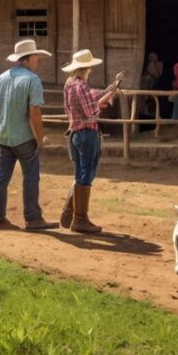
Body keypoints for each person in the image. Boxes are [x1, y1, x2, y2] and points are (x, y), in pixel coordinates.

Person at [0, 39, 60, 231]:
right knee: (31, 177)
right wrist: (39, 138)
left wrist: (0, 125)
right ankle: (33, 218)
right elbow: (34, 111)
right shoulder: (32, 80)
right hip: (25, 138)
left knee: (2, 177)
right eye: (35, 56)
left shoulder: (1, 78)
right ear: (27, 59)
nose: (37, 60)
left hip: (4, 137)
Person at [59, 49, 121, 234]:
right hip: (87, 133)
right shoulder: (82, 87)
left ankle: (71, 210)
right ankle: (80, 219)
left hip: (75, 132)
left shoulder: (69, 85)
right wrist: (105, 100)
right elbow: (92, 112)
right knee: (86, 175)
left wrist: (109, 90)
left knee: (80, 173)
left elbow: (92, 97)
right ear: (87, 68)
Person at [140, 52, 163, 117]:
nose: (151, 59)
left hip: (153, 86)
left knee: (153, 101)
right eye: (150, 58)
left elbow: (157, 75)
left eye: (153, 57)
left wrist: (153, 65)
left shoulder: (158, 64)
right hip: (145, 86)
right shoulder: (149, 65)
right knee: (144, 100)